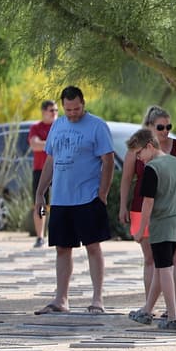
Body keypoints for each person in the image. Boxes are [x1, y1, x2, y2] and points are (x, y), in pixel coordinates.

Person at [33, 86, 114, 315]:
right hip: (60, 198)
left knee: (93, 247)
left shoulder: (97, 126)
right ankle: (61, 299)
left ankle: (97, 299)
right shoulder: (58, 125)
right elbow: (50, 159)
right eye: (68, 109)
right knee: (62, 248)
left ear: (83, 103)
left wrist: (103, 193)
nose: (72, 113)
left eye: (76, 108)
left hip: (88, 197)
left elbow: (108, 161)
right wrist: (41, 192)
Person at [120, 106, 176, 319]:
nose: (139, 158)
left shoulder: (152, 168)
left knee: (164, 268)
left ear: (149, 147)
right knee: (164, 265)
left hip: (161, 223)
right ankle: (148, 309)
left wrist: (141, 229)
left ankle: (172, 316)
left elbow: (149, 203)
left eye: (140, 153)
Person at [29, 99, 56, 248]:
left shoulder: (60, 126)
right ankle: (40, 236)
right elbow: (34, 145)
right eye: (52, 110)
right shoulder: (36, 127)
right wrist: (52, 144)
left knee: (60, 204)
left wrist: (44, 144)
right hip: (40, 170)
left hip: (58, 169)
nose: (54, 114)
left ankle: (58, 233)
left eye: (56, 111)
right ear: (44, 112)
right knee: (41, 204)